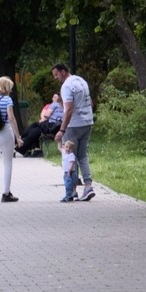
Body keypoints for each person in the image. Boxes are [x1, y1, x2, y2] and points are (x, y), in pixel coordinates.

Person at [51, 62, 96, 200]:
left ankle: (72, 190)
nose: (55, 78)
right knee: (82, 155)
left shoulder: (66, 86)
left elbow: (69, 109)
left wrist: (62, 129)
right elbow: (91, 103)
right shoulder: (81, 81)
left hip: (73, 125)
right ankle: (88, 186)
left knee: (70, 156)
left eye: (56, 75)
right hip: (87, 122)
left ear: (63, 71)